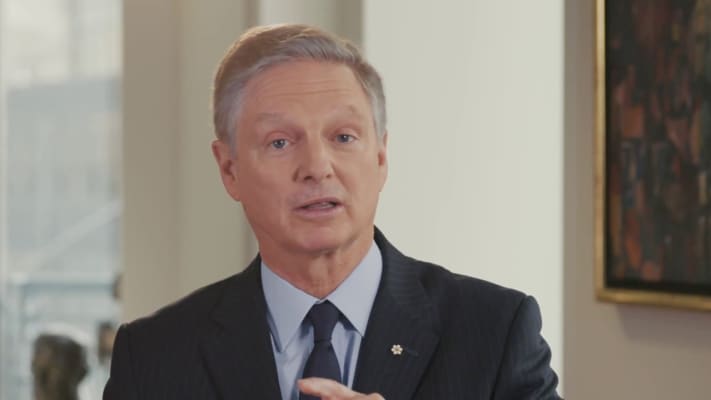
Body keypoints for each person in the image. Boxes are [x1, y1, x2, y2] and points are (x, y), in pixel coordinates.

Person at [104, 24, 561, 400]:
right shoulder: (154, 358)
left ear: (380, 157)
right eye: (280, 142)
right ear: (229, 169)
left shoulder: (496, 331)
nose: (317, 167)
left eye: (343, 137)